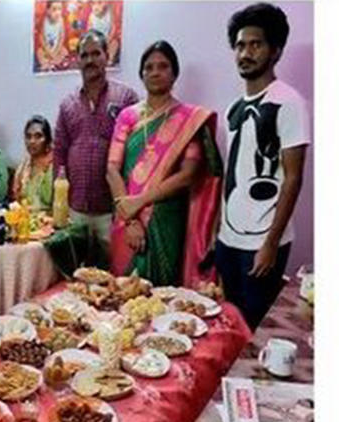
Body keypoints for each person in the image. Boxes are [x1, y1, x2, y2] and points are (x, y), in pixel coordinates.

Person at [215, 3, 309, 329]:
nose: (245, 53)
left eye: (256, 44)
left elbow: (293, 178)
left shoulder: (288, 101)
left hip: (263, 243)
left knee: (254, 330)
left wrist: (270, 244)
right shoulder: (233, 108)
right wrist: (217, 233)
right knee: (230, 323)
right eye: (240, 45)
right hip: (228, 240)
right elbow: (232, 172)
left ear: (276, 50)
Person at [106, 40, 223, 287]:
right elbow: (111, 169)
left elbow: (188, 174)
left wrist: (140, 201)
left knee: (162, 295)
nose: (155, 72)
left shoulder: (188, 119)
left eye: (163, 66)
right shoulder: (128, 116)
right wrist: (130, 219)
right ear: (141, 75)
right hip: (127, 216)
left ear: (174, 73)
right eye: (149, 67)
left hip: (166, 218)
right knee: (123, 292)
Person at [53, 30, 138, 255]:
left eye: (96, 53)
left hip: (113, 208)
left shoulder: (126, 98)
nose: (90, 60)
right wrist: (59, 202)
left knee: (114, 268)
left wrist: (131, 206)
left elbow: (136, 152)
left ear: (107, 56)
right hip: (76, 207)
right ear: (77, 61)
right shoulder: (68, 104)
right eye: (84, 55)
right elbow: (59, 152)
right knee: (76, 268)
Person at [11, 115, 53, 212]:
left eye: (38, 136)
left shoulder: (55, 167)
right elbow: (17, 199)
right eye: (28, 136)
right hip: (25, 218)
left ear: (48, 140)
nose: (32, 141)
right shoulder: (24, 167)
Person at [35, 0, 69, 71]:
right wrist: (48, 51)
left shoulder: (61, 20)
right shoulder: (44, 21)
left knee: (64, 51)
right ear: (48, 11)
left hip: (57, 48)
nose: (57, 13)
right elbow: (41, 37)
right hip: (46, 48)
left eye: (59, 9)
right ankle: (47, 64)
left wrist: (56, 51)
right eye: (54, 9)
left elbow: (61, 37)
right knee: (39, 52)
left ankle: (52, 63)